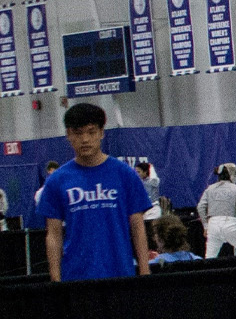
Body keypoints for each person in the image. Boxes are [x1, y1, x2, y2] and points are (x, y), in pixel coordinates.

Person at [34, 103, 150, 282]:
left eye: (91, 132)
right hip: (75, 277)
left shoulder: (125, 175)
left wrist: (144, 272)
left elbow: (138, 226)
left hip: (121, 274)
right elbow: (53, 235)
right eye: (78, 133)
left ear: (102, 133)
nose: (85, 139)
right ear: (68, 135)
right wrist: (56, 280)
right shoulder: (57, 181)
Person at [197, 164, 236, 258]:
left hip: (213, 225)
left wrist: (206, 226)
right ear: (232, 175)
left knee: (209, 258)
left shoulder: (210, 188)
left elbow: (200, 207)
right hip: (231, 224)